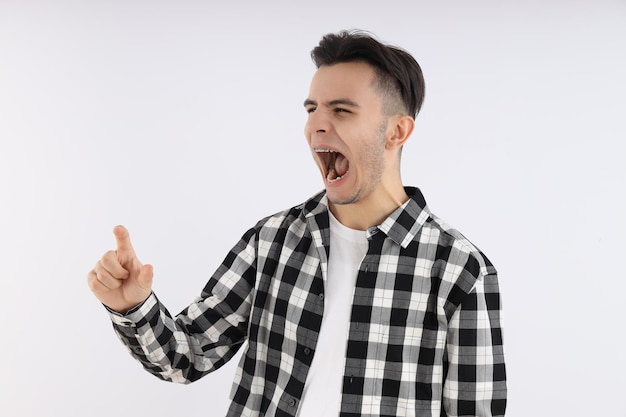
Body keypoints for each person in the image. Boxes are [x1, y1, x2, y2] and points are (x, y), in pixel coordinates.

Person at [88, 30, 507, 417]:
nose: (316, 126)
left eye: (342, 110)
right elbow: (188, 356)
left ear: (396, 131)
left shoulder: (461, 271)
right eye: (312, 109)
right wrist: (132, 306)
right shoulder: (271, 241)